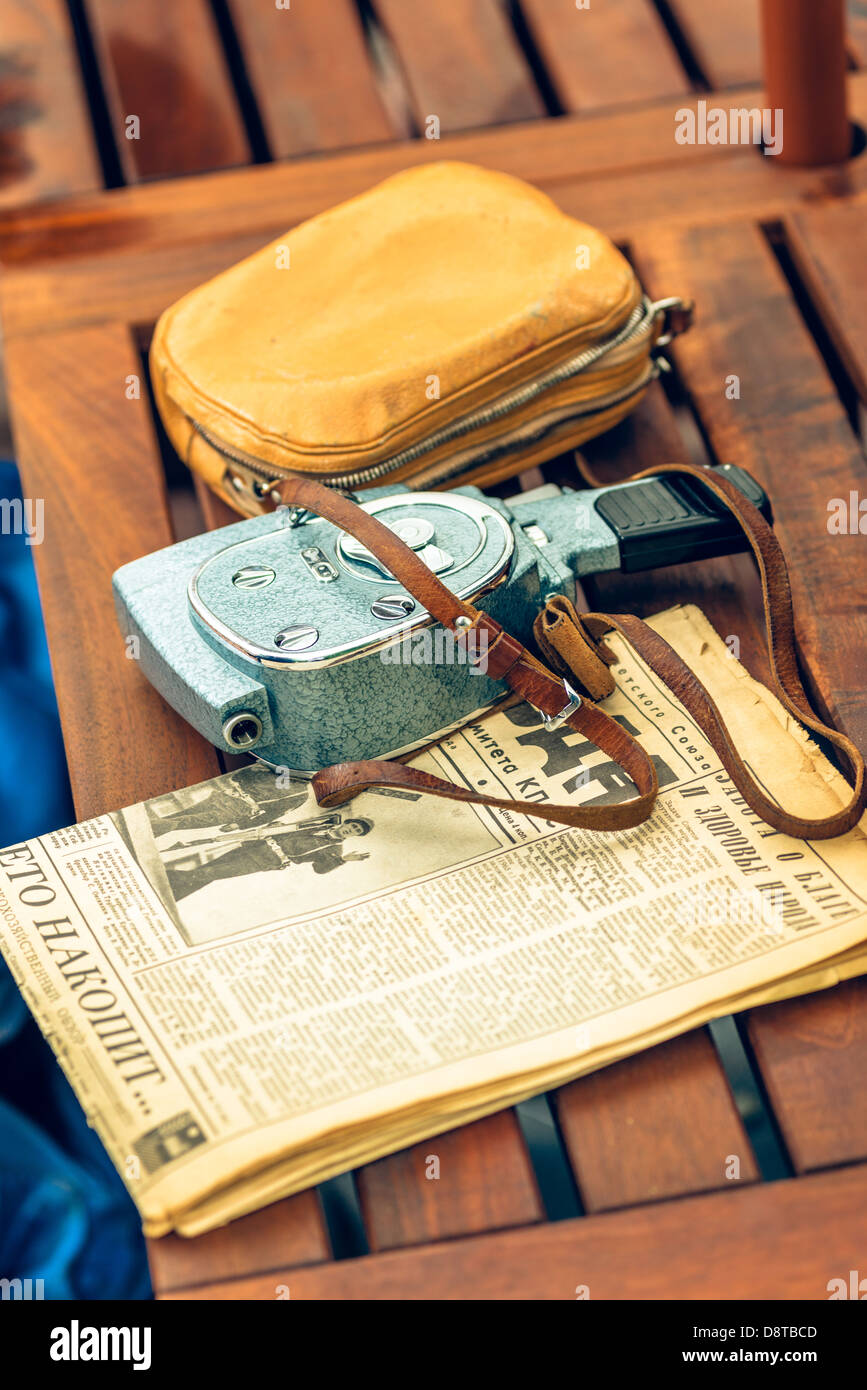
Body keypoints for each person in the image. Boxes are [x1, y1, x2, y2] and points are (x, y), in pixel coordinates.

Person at [164, 816, 374, 902]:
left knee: (209, 873)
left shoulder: (335, 851)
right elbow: (289, 828)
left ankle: (162, 883)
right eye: (353, 825)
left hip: (263, 861)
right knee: (209, 871)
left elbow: (320, 869)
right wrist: (276, 824)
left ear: (355, 835)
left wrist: (344, 860)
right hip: (254, 846)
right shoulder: (320, 825)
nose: (351, 830)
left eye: (356, 831)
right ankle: (174, 894)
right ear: (348, 823)